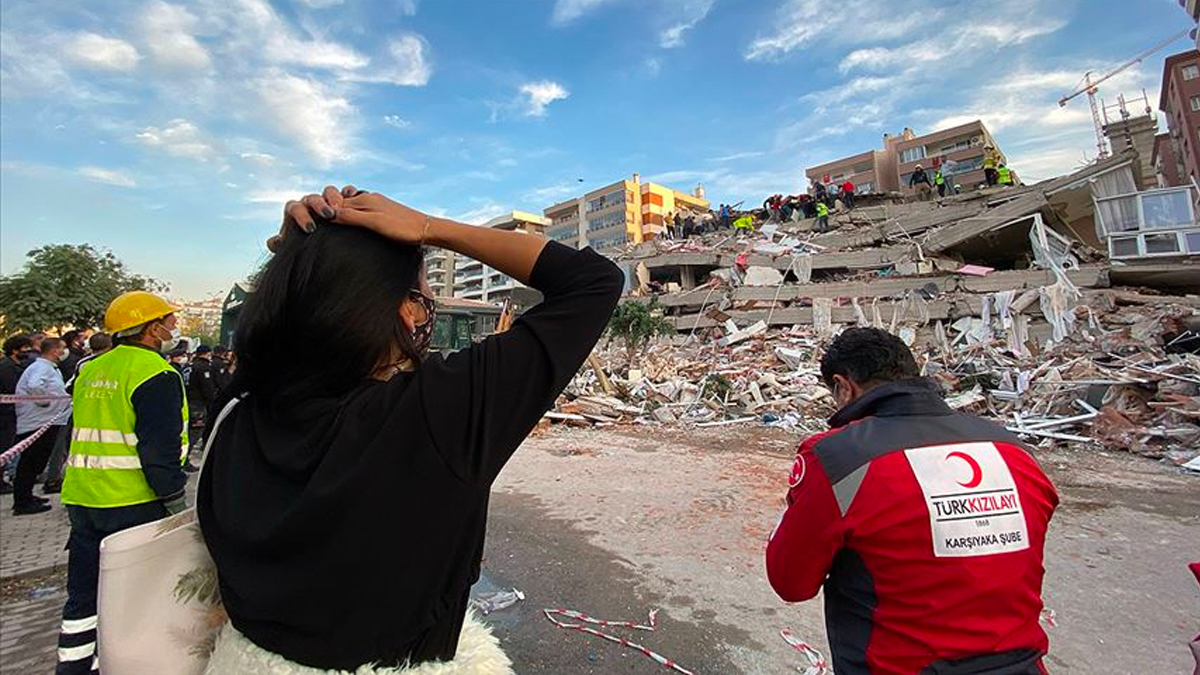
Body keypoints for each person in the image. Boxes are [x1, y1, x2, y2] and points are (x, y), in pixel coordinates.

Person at [197, 185, 623, 673]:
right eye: (423, 295)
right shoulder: (435, 412)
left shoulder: (242, 407)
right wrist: (428, 227)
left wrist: (301, 255)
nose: (427, 308)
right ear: (404, 309)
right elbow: (594, 281)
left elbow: (274, 330)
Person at [766, 328, 1058, 674]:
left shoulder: (839, 457)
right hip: (1023, 664)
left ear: (844, 386)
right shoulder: (1009, 447)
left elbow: (791, 582)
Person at [55, 292, 189, 675]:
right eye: (168, 321)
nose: (173, 328)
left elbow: (76, 429)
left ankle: (75, 667)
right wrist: (175, 501)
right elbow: (157, 451)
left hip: (83, 498)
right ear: (151, 328)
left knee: (82, 598)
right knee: (131, 599)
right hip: (134, 502)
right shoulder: (156, 373)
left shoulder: (91, 369)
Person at [44, 333, 115, 494]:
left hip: (83, 411)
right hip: (104, 411)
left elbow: (71, 386)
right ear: (109, 346)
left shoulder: (82, 363)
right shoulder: (111, 362)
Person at [12, 337, 71, 515]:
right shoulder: (41, 368)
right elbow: (34, 386)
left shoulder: (47, 368)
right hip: (37, 423)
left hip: (46, 421)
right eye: (63, 348)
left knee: (36, 462)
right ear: (53, 350)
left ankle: (27, 495)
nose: (64, 351)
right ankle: (22, 501)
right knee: (30, 462)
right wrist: (44, 402)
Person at [0, 334, 35, 494]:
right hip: (5, 414)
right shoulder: (6, 367)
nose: (28, 351)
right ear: (14, 350)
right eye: (25, 348)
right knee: (4, 447)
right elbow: (12, 389)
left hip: (13, 412)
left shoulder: (18, 365)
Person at [183, 345, 218, 472]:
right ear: (207, 353)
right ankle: (184, 460)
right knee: (195, 432)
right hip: (198, 404)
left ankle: (183, 459)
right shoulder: (203, 367)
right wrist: (212, 400)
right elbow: (207, 388)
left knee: (187, 431)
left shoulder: (188, 366)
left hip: (187, 401)